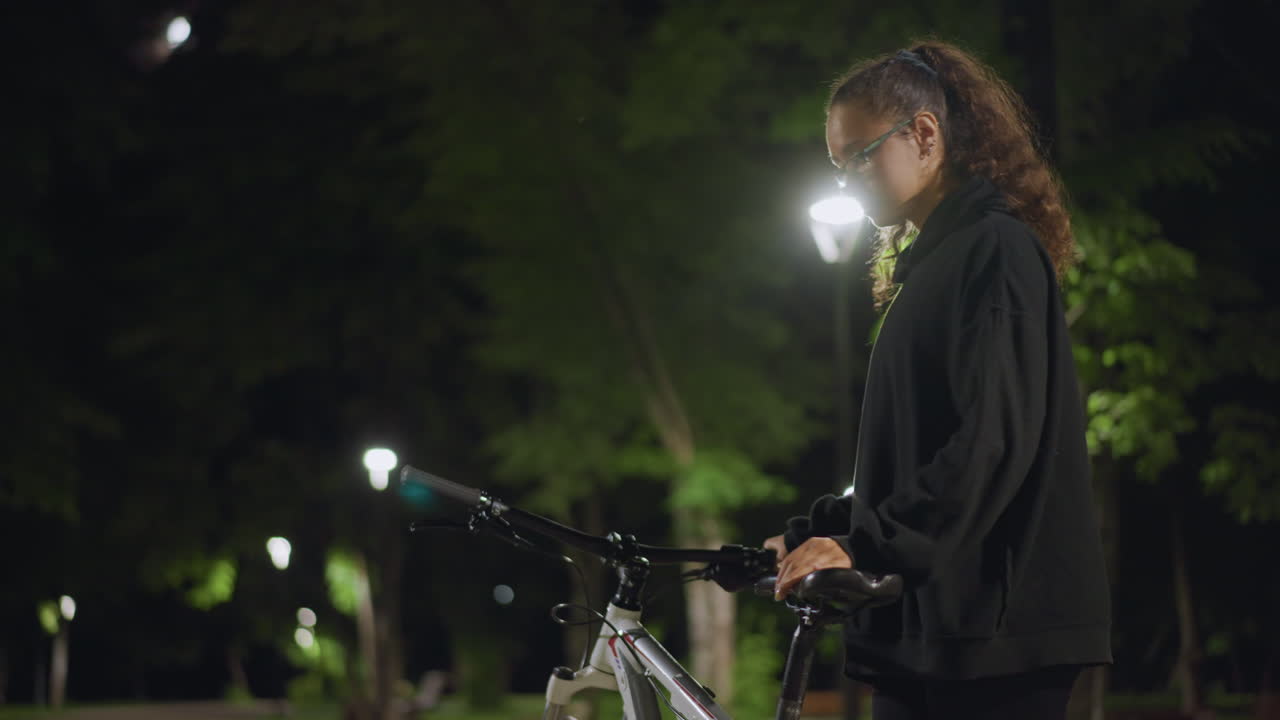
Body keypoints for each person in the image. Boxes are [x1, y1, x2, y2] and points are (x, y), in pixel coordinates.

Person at [763, 40, 1113, 720]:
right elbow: (915, 451)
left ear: (925, 134)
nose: (849, 182)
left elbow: (990, 440)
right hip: (942, 628)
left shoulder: (995, 250)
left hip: (996, 638)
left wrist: (865, 543)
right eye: (838, 168)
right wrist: (815, 532)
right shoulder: (936, 262)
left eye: (859, 157)